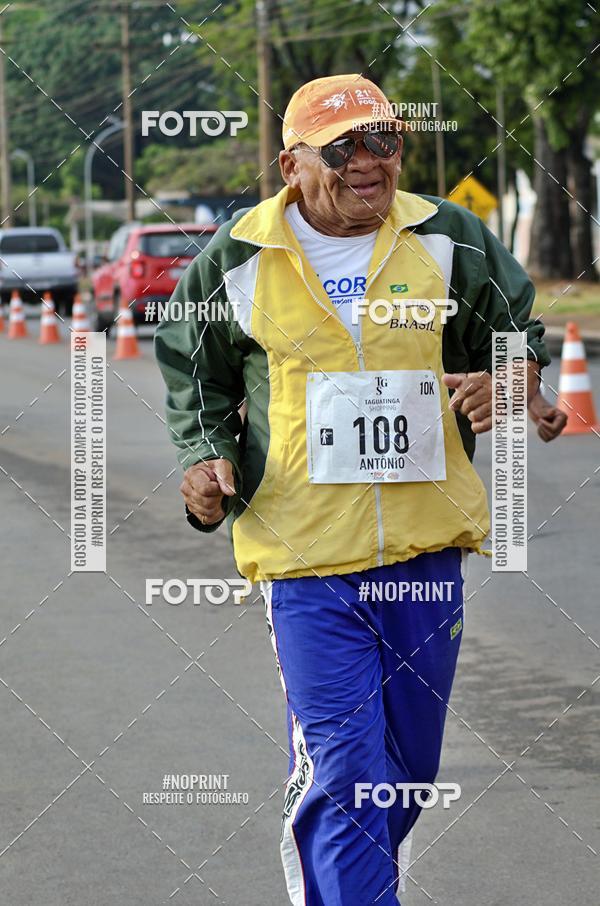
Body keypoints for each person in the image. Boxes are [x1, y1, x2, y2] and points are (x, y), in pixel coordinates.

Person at [155, 74, 551, 905]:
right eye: (344, 149)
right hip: (303, 562)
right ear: (291, 163)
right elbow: (199, 377)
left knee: (405, 772)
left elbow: (516, 332)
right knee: (344, 766)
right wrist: (203, 460)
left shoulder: (448, 236)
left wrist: (511, 378)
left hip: (424, 550)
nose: (369, 163)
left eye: (385, 141)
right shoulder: (235, 257)